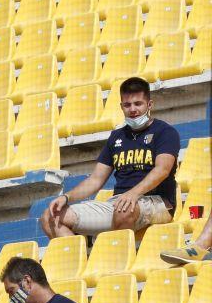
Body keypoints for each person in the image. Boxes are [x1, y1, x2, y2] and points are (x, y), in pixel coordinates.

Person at [41, 77, 179, 238]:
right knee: (50, 217)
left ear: (149, 105)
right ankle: (86, 261)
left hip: (157, 202)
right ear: (121, 107)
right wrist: (66, 197)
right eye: (127, 105)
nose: (133, 109)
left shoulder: (165, 132)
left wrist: (133, 194)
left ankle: (116, 259)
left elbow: (162, 170)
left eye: (138, 104)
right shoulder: (116, 137)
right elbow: (95, 180)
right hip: (118, 203)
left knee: (124, 208)